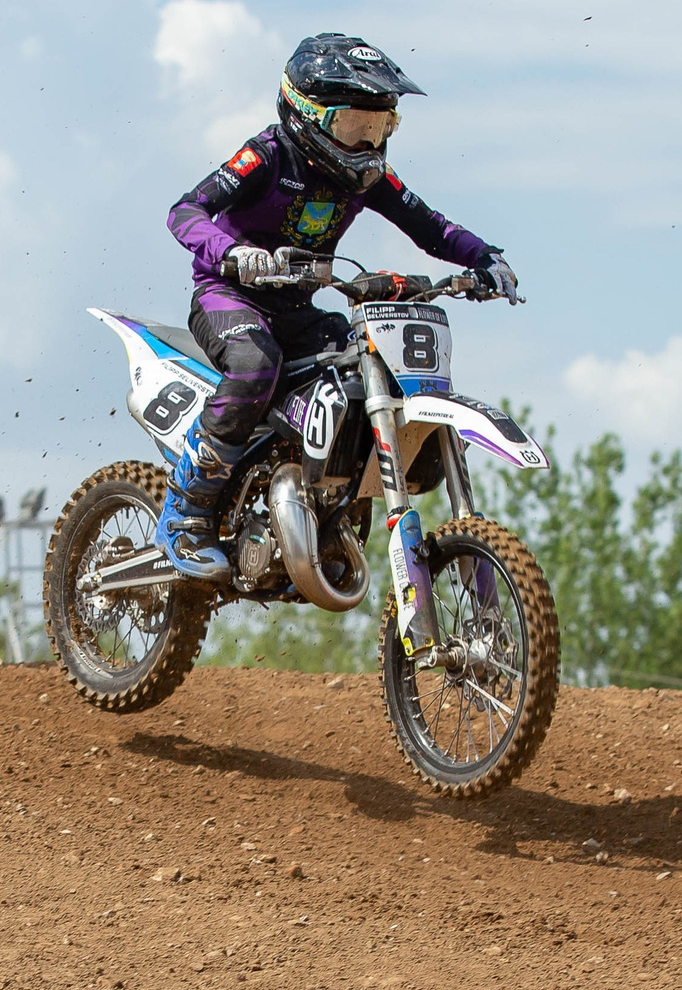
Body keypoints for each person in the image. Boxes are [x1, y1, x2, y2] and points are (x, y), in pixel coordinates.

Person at [159, 32, 520, 581]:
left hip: (298, 308)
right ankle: (185, 512)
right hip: (227, 296)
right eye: (354, 126)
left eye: (379, 127)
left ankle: (327, 497)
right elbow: (186, 211)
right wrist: (233, 253)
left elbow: (431, 226)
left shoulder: (368, 177)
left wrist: (485, 258)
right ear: (307, 114)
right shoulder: (267, 155)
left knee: (370, 360)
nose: (367, 142)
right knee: (257, 364)